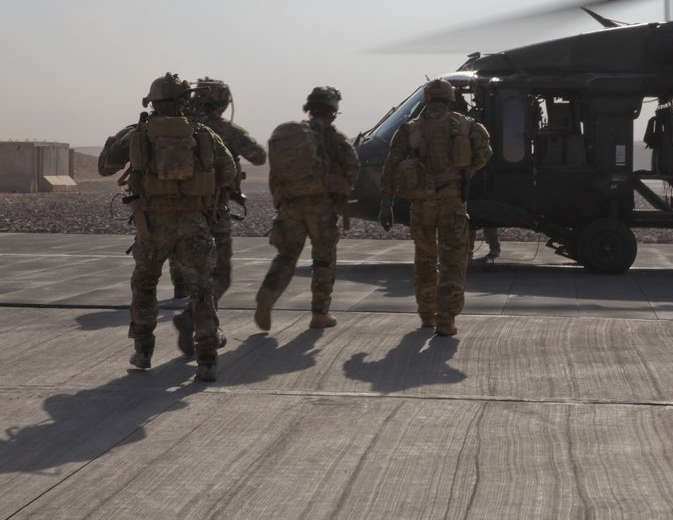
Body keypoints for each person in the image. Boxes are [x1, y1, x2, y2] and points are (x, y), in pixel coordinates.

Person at [98, 73, 236, 382]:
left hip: (152, 225)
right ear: (185, 102)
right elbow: (228, 173)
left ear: (153, 102)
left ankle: (143, 352)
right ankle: (207, 359)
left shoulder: (137, 134)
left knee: (145, 285)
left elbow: (105, 166)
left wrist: (117, 142)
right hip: (195, 224)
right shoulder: (203, 134)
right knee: (202, 290)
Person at [378, 78, 492, 336]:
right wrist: (464, 171)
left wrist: (387, 204)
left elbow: (391, 166)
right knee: (453, 259)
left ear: (427, 99)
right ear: (451, 99)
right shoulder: (467, 126)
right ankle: (446, 319)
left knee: (425, 258)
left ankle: (426, 314)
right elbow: (485, 153)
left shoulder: (411, 129)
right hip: (452, 203)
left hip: (421, 206)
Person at [170, 78, 267, 357]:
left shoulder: (178, 129)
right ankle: (196, 322)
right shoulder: (226, 130)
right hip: (214, 213)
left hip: (177, 211)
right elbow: (259, 157)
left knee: (193, 273)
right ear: (223, 104)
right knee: (219, 276)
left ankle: (199, 325)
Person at [253, 86, 359, 331]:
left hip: (290, 205)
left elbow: (275, 175)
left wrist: (283, 200)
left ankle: (268, 292)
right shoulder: (335, 137)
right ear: (333, 111)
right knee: (323, 260)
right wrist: (339, 188)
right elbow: (352, 167)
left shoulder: (292, 135)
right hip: (321, 207)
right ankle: (320, 314)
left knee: (286, 256)